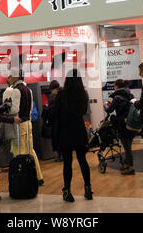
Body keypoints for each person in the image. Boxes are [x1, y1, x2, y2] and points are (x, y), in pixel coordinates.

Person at [52, 69, 92, 202]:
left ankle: (67, 191)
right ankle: (88, 189)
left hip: (65, 131)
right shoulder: (83, 93)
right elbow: (84, 111)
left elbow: (56, 112)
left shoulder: (62, 93)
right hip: (79, 130)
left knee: (67, 162)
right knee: (82, 160)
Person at [6, 68, 45, 186]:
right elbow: (30, 109)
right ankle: (38, 176)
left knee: (19, 152)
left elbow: (14, 109)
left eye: (10, 76)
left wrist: (5, 109)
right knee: (30, 151)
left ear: (17, 76)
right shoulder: (28, 89)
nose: (8, 78)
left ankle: (25, 179)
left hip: (19, 125)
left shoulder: (16, 90)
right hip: (28, 124)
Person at [104, 79, 137, 175]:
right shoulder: (130, 95)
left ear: (117, 87)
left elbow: (109, 110)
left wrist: (106, 105)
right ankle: (126, 165)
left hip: (123, 125)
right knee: (128, 146)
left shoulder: (117, 97)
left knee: (127, 148)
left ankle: (130, 168)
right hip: (131, 123)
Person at [41, 80, 62, 162]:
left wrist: (46, 112)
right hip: (62, 121)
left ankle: (60, 156)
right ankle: (62, 155)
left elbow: (51, 111)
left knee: (57, 139)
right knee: (61, 138)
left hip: (55, 122)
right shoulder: (62, 93)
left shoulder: (53, 96)